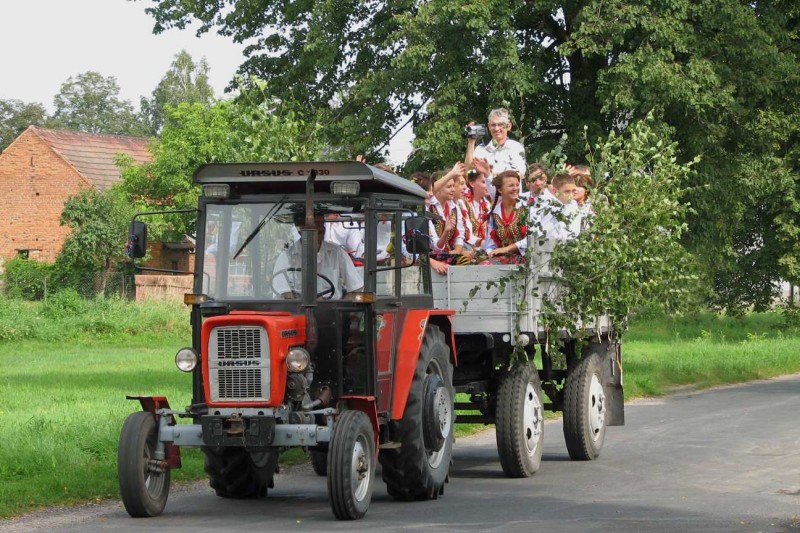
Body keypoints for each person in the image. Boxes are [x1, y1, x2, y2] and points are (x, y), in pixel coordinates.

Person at [273, 214, 363, 299]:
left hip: (332, 311)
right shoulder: (286, 257)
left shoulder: (337, 253)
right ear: (301, 228)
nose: (322, 228)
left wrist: (343, 308)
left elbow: (356, 287)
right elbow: (283, 293)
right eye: (316, 224)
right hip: (298, 312)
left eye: (322, 224)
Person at [464, 107, 527, 196]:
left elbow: (519, 174)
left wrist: (489, 173)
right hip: (486, 203)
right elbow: (468, 172)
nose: (497, 128)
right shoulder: (481, 149)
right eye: (493, 125)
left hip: (510, 201)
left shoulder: (516, 147)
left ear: (509, 126)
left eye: (501, 124)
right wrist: (471, 142)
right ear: (489, 126)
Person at [480, 170, 529, 265]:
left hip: (526, 257)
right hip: (502, 258)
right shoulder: (494, 213)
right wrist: (490, 252)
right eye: (511, 186)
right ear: (500, 189)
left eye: (517, 185)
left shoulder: (526, 208)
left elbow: (532, 238)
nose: (515, 188)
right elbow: (490, 244)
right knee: (483, 264)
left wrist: (507, 248)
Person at [529, 173, 581, 243]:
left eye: (573, 191)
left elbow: (574, 232)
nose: (571, 195)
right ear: (555, 191)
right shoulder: (543, 205)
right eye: (567, 191)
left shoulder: (573, 205)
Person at [464, 168, 490, 250]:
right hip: (467, 248)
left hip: (483, 248)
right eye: (483, 182)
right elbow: (464, 233)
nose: (488, 185)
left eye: (488, 182)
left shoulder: (487, 204)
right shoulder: (463, 202)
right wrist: (481, 242)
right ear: (472, 183)